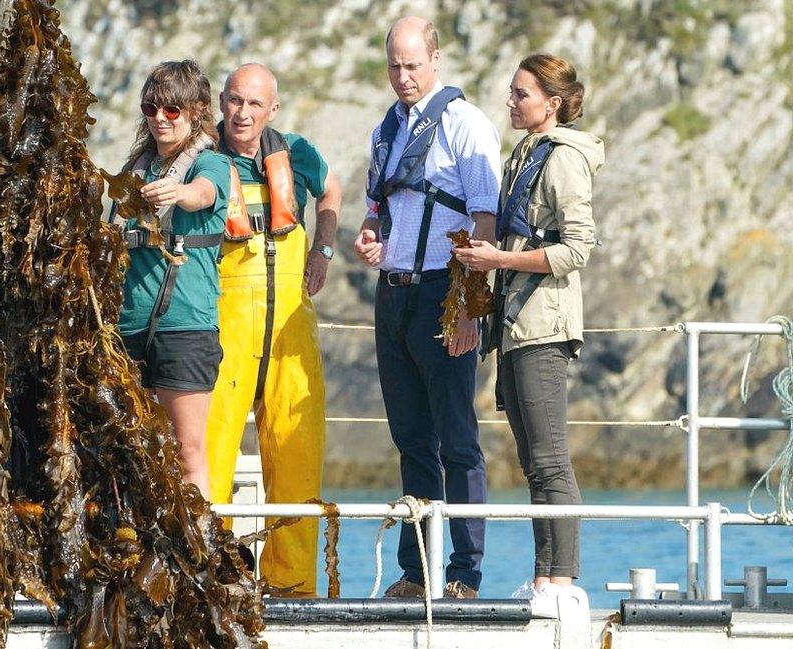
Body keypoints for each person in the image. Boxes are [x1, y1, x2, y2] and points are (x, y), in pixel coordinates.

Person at [354, 16, 501, 599]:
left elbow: (484, 221)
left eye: (413, 65)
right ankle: (416, 572)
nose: (403, 76)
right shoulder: (387, 128)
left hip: (446, 288)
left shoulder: (467, 126)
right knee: (411, 438)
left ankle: (465, 573)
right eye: (394, 65)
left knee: (456, 437)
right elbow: (377, 208)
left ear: (436, 60)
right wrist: (370, 235)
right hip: (393, 292)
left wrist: (470, 308)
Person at [455, 53, 604, 614]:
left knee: (550, 458)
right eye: (512, 93)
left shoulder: (563, 159)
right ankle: (544, 579)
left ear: (553, 101)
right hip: (517, 323)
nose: (512, 102)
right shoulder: (524, 154)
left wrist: (500, 258)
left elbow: (579, 247)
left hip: (544, 324)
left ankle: (562, 579)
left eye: (522, 94)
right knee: (533, 460)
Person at [205, 62, 341, 598]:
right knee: (210, 458)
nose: (243, 113)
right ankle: (213, 576)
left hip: (290, 328)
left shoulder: (297, 153)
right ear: (221, 102)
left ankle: (292, 584)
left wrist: (324, 249)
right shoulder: (203, 158)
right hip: (224, 328)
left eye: (255, 104)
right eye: (235, 101)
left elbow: (330, 191)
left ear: (272, 110)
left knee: (296, 455)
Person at [116, 60, 232, 499]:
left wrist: (180, 193)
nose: (160, 118)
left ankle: (197, 554)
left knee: (187, 450)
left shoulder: (211, 164)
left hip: (185, 328)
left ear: (197, 110)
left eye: (173, 110)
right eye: (152, 107)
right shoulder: (136, 169)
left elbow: (205, 191)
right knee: (131, 452)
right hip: (128, 329)